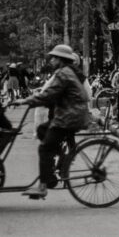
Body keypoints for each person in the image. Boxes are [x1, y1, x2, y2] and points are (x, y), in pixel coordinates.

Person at [10, 45, 92, 199]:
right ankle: (52, 171)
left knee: (44, 149)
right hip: (66, 114)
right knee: (42, 130)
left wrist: (25, 101)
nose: (52, 59)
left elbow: (47, 95)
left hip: (68, 117)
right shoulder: (65, 72)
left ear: (61, 59)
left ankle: (43, 185)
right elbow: (50, 92)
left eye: (55, 57)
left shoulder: (64, 74)